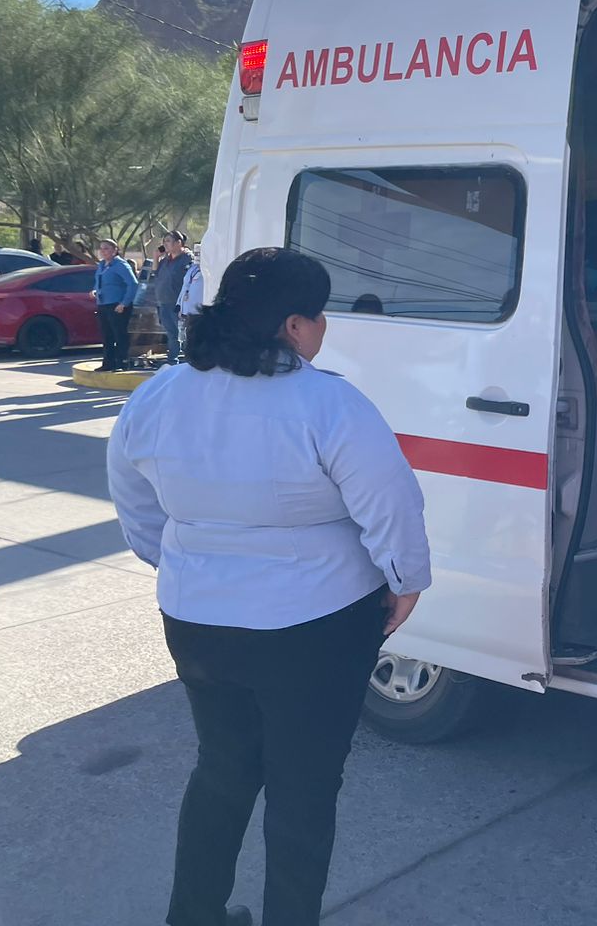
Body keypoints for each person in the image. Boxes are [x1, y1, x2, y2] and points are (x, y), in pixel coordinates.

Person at [107, 247, 431, 926]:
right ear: (293, 325)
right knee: (303, 791)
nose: (322, 331)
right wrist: (405, 582)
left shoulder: (158, 394)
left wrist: (180, 563)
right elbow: (390, 506)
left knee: (222, 771)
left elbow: (135, 505)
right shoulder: (329, 403)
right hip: (314, 627)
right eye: (319, 317)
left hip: (196, 623)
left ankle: (192, 917)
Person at [90, 238, 142, 372]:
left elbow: (133, 284)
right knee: (107, 335)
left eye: (106, 248)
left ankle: (122, 362)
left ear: (115, 250)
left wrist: (124, 303)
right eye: (101, 248)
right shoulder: (102, 265)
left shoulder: (120, 265)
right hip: (103, 303)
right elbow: (99, 281)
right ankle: (108, 363)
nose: (103, 251)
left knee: (119, 335)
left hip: (117, 305)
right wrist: (95, 291)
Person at [151, 231, 194, 364]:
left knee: (183, 333)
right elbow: (155, 274)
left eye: (168, 241)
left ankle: (190, 360)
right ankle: (172, 360)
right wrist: (156, 257)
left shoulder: (187, 259)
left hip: (178, 303)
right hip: (163, 301)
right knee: (171, 333)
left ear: (178, 243)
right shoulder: (165, 260)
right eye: (164, 241)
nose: (165, 244)